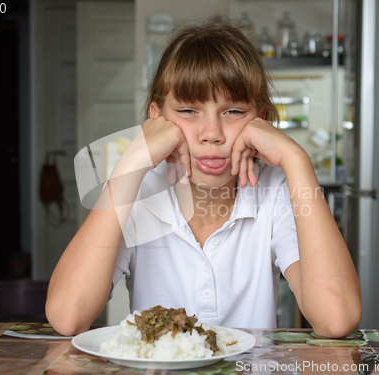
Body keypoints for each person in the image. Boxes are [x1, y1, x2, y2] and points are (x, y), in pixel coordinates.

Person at [46, 20, 361, 337]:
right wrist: (131, 162)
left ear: (261, 121)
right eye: (188, 111)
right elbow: (67, 316)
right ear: (156, 121)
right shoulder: (138, 192)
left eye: (234, 112)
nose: (212, 134)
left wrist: (297, 160)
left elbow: (336, 319)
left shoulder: (274, 189)